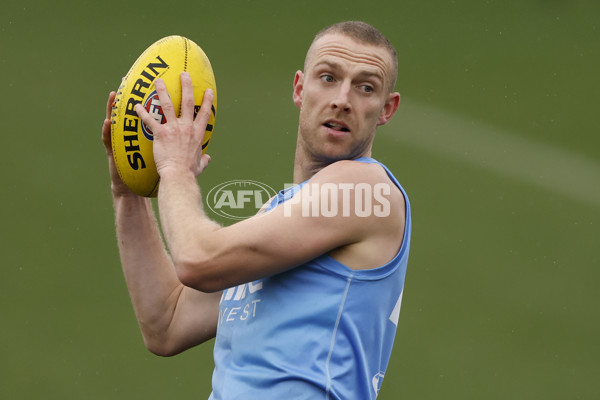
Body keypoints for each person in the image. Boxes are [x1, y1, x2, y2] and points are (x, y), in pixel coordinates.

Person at [101, 21, 412, 400]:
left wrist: (176, 170)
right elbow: (166, 321)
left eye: (366, 87)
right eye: (328, 77)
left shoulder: (365, 190)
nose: (342, 99)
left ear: (386, 109)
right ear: (300, 88)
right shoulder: (283, 217)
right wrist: (127, 191)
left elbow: (198, 259)